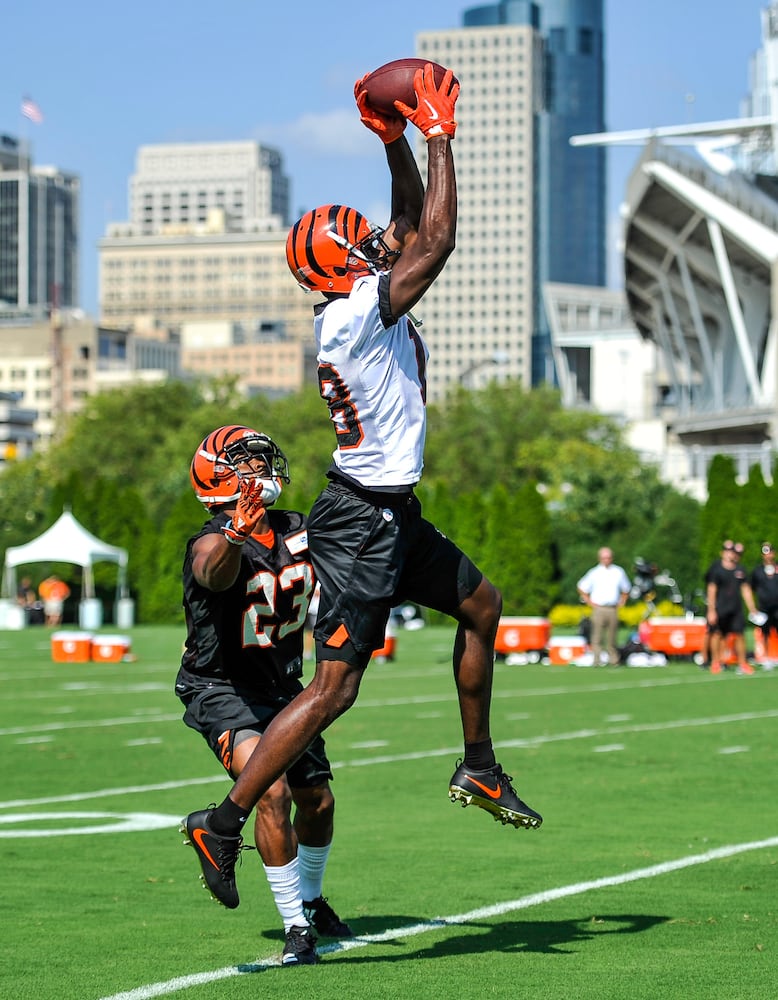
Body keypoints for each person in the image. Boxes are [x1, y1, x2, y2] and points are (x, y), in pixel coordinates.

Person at [180, 64, 542, 917]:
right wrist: (439, 137)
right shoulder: (354, 315)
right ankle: (223, 822)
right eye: (367, 244)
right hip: (361, 521)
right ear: (346, 268)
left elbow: (413, 226)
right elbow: (437, 240)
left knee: (483, 607)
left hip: (389, 508)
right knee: (335, 688)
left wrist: (392, 144)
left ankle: (479, 765)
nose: (385, 241)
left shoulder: (350, 305)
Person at [177, 424, 351, 966]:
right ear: (219, 477)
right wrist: (234, 535)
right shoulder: (211, 540)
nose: (262, 470)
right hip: (222, 687)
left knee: (318, 803)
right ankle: (296, 930)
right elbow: (211, 571)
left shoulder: (300, 528)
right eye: (248, 463)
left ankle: (312, 897)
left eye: (261, 461)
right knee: (270, 792)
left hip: (284, 687)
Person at [705, 540, 761, 674]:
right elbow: (711, 590)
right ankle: (715, 662)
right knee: (717, 634)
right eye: (728, 551)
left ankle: (743, 663)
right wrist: (711, 610)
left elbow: (746, 590)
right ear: (723, 553)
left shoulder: (740, 570)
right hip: (720, 608)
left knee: (740, 635)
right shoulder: (717, 570)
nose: (731, 554)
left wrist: (752, 608)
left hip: (735, 608)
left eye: (733, 552)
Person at [576, 548, 631, 665]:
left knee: (612, 636)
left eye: (608, 557)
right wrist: (589, 601)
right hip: (599, 608)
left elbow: (626, 588)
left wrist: (623, 601)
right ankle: (597, 659)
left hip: (612, 608)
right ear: (600, 559)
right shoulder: (594, 572)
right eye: (604, 558)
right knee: (597, 636)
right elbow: (581, 586)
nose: (606, 560)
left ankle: (614, 660)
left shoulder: (618, 571)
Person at [750, 542, 778, 665]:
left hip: (777, 606)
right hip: (764, 607)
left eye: (770, 552)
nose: (768, 556)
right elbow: (751, 589)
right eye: (766, 553)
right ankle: (766, 657)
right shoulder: (758, 571)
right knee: (765, 633)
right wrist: (753, 607)